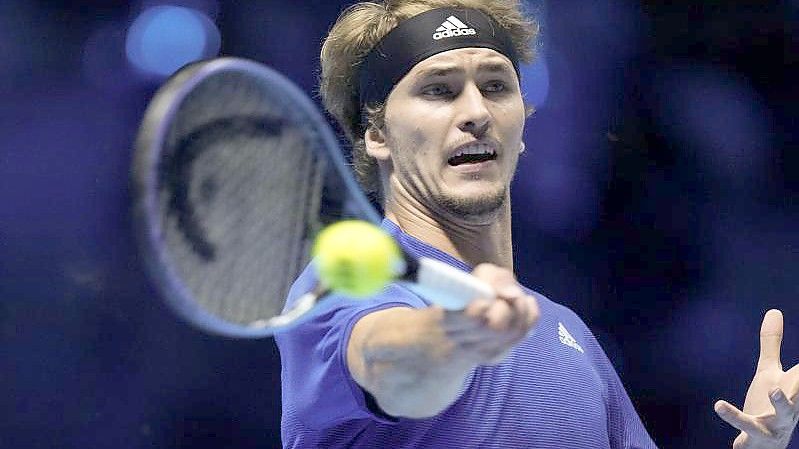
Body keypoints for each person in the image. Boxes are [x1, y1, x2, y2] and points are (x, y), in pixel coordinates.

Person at [274, 1, 799, 447]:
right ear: (377, 134)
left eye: (496, 86)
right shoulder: (346, 286)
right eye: (438, 90)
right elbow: (391, 363)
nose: (476, 110)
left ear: (523, 126)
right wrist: (455, 337)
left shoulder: (569, 334)